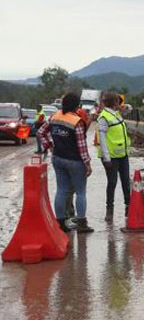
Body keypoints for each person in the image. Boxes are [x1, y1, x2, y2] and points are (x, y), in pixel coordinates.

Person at [37, 92, 94, 233]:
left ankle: (61, 223)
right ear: (77, 105)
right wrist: (87, 163)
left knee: (61, 190)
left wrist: (49, 145)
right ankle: (81, 224)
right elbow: (82, 146)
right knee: (80, 192)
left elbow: (40, 132)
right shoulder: (77, 121)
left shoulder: (54, 117)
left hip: (58, 158)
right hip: (75, 161)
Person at [97, 91, 132, 222]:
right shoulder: (104, 117)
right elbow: (102, 139)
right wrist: (106, 158)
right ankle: (109, 210)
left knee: (125, 182)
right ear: (114, 102)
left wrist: (123, 106)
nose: (120, 104)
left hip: (123, 154)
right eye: (118, 101)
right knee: (112, 182)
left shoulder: (117, 114)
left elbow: (129, 109)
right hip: (110, 157)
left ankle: (128, 207)